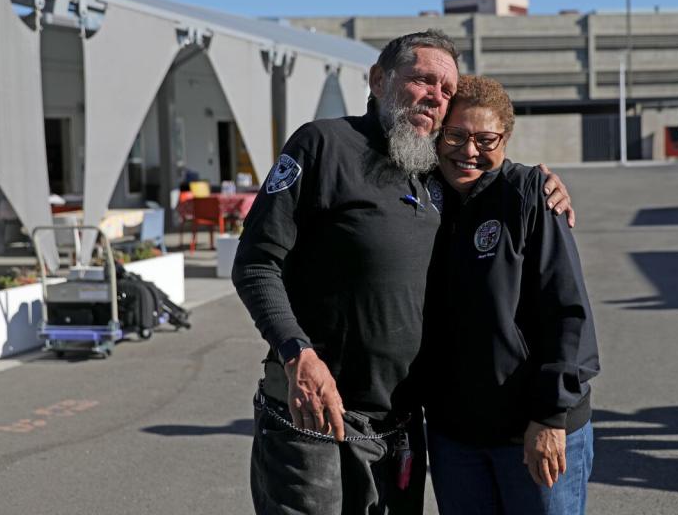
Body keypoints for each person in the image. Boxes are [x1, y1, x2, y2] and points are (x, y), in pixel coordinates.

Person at [232, 30, 574, 514]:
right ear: (378, 80)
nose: (436, 97)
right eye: (422, 80)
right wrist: (297, 354)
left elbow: (490, 169)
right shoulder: (323, 146)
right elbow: (255, 261)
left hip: (400, 429)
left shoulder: (436, 172)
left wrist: (541, 185)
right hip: (314, 416)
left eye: (447, 90)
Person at [420, 75, 599, 515]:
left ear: (506, 138)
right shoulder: (418, 200)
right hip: (456, 436)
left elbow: (567, 311)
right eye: (456, 135)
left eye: (485, 138)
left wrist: (551, 416)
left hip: (533, 428)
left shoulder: (530, 196)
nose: (468, 150)